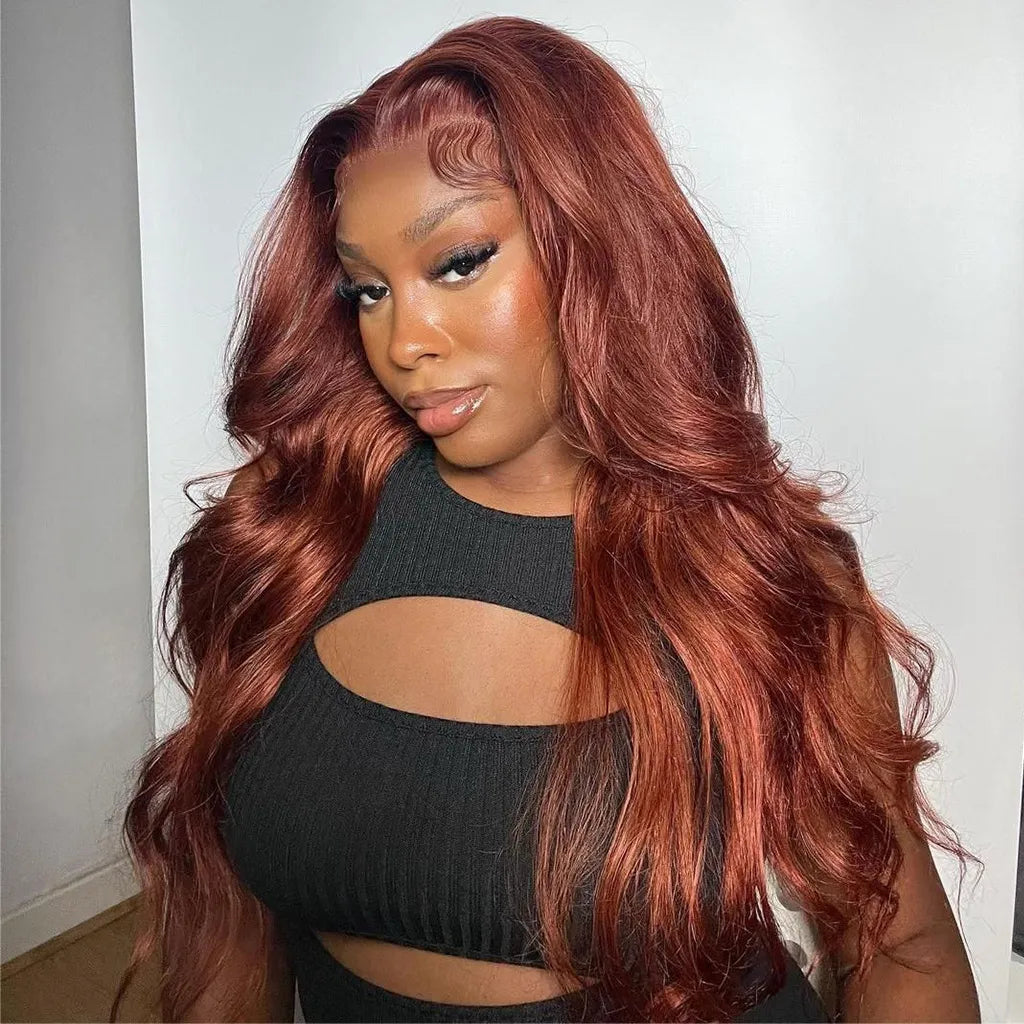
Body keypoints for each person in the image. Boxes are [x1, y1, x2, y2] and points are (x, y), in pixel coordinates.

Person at [110, 15, 980, 1024]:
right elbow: (226, 924)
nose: (403, 340)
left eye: (458, 262)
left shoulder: (750, 572)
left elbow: (903, 951)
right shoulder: (290, 538)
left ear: (596, 242)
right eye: (367, 288)